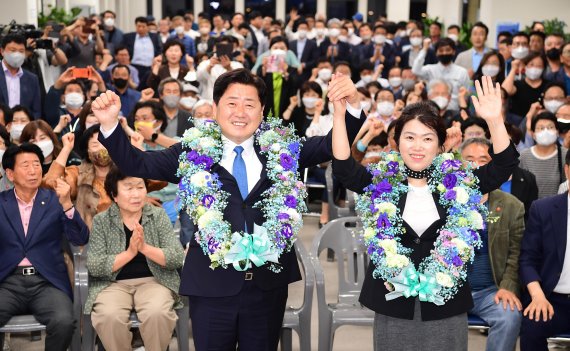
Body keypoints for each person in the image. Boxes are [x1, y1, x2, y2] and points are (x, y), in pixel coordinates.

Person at [90, 68, 365, 350]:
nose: (240, 112)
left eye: (250, 104)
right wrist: (110, 126)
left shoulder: (283, 149)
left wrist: (352, 104)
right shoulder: (192, 152)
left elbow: (334, 145)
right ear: (216, 107)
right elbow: (139, 164)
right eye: (232, 103)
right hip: (211, 284)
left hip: (267, 285)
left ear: (262, 111)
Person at [331, 76, 518, 350]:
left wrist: (494, 120)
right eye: (410, 137)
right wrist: (339, 115)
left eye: (427, 138)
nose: (417, 146)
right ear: (398, 142)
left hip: (445, 305)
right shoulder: (381, 181)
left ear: (440, 145)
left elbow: (504, 164)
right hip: (392, 302)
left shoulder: (460, 183)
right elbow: (343, 167)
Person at [0, 143, 89, 351]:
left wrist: (67, 204)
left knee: (64, 321)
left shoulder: (54, 200)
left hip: (46, 281)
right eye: (25, 165)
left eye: (37, 164)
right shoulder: (1, 203)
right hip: (7, 281)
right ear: (10, 174)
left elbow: (80, 239)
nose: (33, 171)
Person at [84, 166, 184, 351]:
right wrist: (129, 253)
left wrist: (144, 248)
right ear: (114, 194)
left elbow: (176, 257)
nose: (136, 194)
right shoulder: (102, 221)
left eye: (140, 187)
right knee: (108, 316)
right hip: (112, 284)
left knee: (157, 313)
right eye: (129, 188)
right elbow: (95, 266)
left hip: (155, 281)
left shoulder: (157, 215)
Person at [460, 137, 524, 351]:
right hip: (453, 290)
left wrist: (508, 287)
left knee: (510, 317)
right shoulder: (446, 200)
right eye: (469, 159)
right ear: (459, 163)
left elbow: (516, 253)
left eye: (483, 160)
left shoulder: (511, 205)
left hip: (490, 290)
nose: (476, 165)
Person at [519, 151, 570, 350]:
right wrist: (537, 295)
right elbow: (528, 258)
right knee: (532, 326)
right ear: (567, 171)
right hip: (551, 298)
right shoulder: (543, 209)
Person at [412, 37, 470, 111]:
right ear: (436, 53)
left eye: (448, 50)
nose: (444, 53)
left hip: (454, 113)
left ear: (453, 52)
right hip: (431, 112)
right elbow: (415, 70)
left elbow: (465, 96)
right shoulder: (430, 69)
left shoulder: (462, 72)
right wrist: (424, 49)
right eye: (441, 50)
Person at [519, 111, 567, 199]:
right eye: (541, 128)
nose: (546, 131)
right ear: (533, 134)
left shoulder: (565, 155)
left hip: (558, 208)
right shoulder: (524, 156)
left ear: (557, 132)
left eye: (550, 127)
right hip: (531, 209)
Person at [0, 34, 42, 119]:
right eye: (13, 50)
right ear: (2, 51)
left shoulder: (32, 79)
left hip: (23, 128)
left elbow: (36, 110)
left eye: (21, 51)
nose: (17, 54)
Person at [123, 17, 162, 90]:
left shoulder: (154, 37)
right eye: (138, 26)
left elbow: (159, 50)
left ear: (147, 27)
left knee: (149, 86)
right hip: (135, 66)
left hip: (150, 67)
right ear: (135, 26)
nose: (141, 28)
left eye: (143, 26)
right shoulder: (128, 37)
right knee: (136, 87)